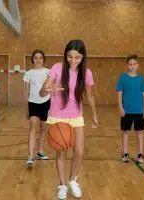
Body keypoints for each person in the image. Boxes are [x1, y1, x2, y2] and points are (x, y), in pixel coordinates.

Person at [40, 39, 98, 199]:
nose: (73, 60)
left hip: (76, 117)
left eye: (77, 57)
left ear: (82, 57)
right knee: (61, 153)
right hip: (57, 117)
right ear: (66, 55)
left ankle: (73, 180)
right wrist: (48, 89)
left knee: (79, 152)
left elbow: (90, 96)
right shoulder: (57, 68)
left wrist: (94, 115)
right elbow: (41, 92)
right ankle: (62, 185)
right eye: (70, 57)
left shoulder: (86, 73)